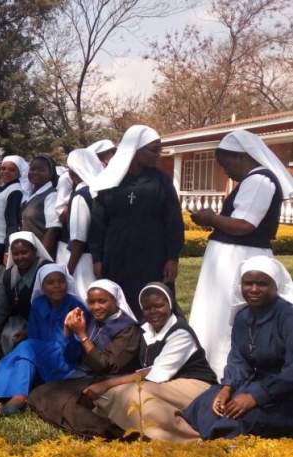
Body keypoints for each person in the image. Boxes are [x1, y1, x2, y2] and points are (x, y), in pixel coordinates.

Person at [189, 130, 293, 379]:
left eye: (226, 165)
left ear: (241, 157)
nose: (226, 172)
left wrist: (210, 218)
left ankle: (227, 369)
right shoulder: (252, 181)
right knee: (215, 312)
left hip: (238, 258)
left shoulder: (259, 181)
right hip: (228, 257)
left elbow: (245, 224)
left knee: (227, 313)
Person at [86, 282, 216, 442]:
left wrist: (107, 384)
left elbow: (155, 374)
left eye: (159, 306)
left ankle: (185, 436)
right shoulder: (145, 329)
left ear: (170, 305)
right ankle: (132, 430)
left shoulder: (180, 333)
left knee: (136, 395)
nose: (153, 312)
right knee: (111, 395)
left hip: (196, 386)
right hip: (165, 383)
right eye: (147, 308)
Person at [183, 256, 293, 439]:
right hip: (255, 385)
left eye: (262, 284)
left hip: (284, 392)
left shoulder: (287, 317)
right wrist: (227, 389)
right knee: (206, 403)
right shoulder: (243, 317)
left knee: (242, 417)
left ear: (276, 286)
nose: (254, 289)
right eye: (248, 283)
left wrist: (255, 397)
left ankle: (223, 441)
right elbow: (238, 361)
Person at [0, 264, 88, 415]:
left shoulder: (76, 308)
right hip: (37, 356)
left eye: (61, 281)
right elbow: (35, 334)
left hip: (64, 359)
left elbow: (74, 351)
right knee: (24, 355)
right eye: (50, 282)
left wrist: (66, 334)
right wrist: (28, 338)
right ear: (42, 286)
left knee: (25, 348)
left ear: (67, 283)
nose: (57, 286)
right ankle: (5, 400)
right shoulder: (38, 303)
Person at [89, 125, 184, 319]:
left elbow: (173, 221)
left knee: (153, 302)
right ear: (136, 150)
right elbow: (98, 223)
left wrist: (172, 257)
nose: (158, 154)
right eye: (154, 149)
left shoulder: (161, 181)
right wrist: (97, 258)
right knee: (120, 303)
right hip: (116, 255)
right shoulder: (109, 180)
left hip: (153, 255)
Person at [26, 279, 142, 437]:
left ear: (115, 301)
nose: (96, 307)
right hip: (85, 374)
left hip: (110, 378)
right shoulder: (93, 321)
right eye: (91, 302)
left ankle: (110, 432)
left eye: (102, 301)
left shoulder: (128, 328)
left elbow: (106, 366)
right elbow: (72, 357)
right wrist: (68, 332)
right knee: (38, 394)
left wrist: (82, 335)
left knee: (63, 402)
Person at [0, 232, 54, 355]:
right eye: (16, 254)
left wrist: (31, 332)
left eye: (24, 252)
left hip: (47, 324)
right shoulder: (8, 275)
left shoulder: (46, 270)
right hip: (17, 324)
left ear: (34, 251)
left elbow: (55, 307)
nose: (20, 257)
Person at [61, 149, 103, 300]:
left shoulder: (81, 196)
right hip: (99, 258)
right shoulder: (99, 191)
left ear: (72, 172)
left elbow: (78, 239)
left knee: (83, 299)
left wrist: (69, 270)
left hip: (83, 262)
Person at [21, 155, 61, 256]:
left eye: (41, 170)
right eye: (32, 169)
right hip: (26, 254)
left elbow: (53, 229)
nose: (35, 173)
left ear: (50, 174)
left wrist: (41, 256)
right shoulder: (31, 194)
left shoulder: (51, 195)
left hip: (40, 254)